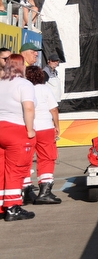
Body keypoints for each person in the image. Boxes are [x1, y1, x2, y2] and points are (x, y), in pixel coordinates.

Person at [0, 53, 36, 221]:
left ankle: (1, 205)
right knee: (16, 169)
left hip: (1, 128)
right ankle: (13, 206)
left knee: (1, 170)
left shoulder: (0, 83)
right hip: (16, 130)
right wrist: (30, 130)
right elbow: (28, 108)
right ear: (21, 66)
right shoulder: (24, 84)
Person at [23, 66, 60, 205]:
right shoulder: (44, 89)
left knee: (25, 159)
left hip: (28, 127)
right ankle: (45, 191)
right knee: (46, 158)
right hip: (45, 127)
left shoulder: (23, 89)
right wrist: (57, 126)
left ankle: (24, 190)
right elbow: (54, 109)